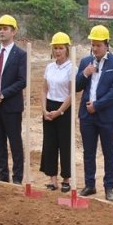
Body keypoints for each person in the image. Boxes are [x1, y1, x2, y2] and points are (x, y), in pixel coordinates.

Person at [75, 25, 113, 201]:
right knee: (88, 151)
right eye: (93, 45)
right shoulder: (85, 62)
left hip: (107, 115)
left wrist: (97, 105)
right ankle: (89, 184)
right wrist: (84, 74)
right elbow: (76, 87)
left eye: (98, 45)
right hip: (87, 115)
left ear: (106, 45)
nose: (95, 48)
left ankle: (108, 187)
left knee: (108, 152)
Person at [0, 14, 27, 184]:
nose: (1, 31)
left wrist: (2, 94)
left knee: (15, 142)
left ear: (13, 31)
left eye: (5, 28)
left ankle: (17, 178)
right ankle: (3, 175)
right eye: (0, 28)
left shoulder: (20, 54)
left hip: (11, 106)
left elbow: (22, 81)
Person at [40, 32, 74, 192]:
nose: (58, 51)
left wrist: (59, 111)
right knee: (49, 143)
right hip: (49, 106)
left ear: (67, 49)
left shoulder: (72, 68)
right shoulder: (49, 67)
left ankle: (66, 178)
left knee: (65, 144)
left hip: (64, 109)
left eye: (61, 48)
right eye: (55, 48)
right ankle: (52, 179)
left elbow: (72, 94)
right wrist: (44, 109)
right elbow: (44, 89)